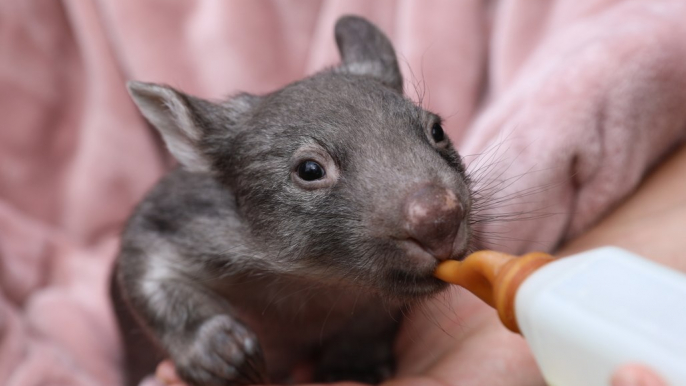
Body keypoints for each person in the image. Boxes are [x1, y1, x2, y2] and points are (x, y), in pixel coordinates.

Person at [151, 143, 686, 386]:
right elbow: (154, 256)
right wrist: (196, 335)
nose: (442, 212)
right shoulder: (195, 219)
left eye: (433, 135)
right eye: (313, 170)